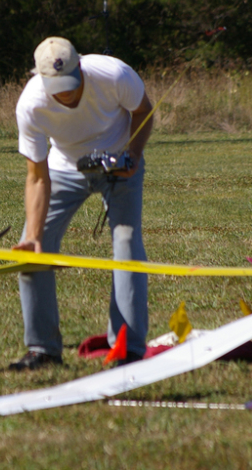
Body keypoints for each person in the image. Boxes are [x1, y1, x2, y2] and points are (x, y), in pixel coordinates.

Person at [10, 37, 154, 370]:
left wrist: (132, 154)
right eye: (57, 88)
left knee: (126, 242)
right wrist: (33, 236)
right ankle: (42, 349)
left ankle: (127, 349)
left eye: (71, 83)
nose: (67, 94)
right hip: (64, 168)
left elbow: (143, 111)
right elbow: (36, 177)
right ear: (40, 79)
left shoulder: (114, 74)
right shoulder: (30, 105)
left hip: (120, 161)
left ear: (80, 65)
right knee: (33, 246)